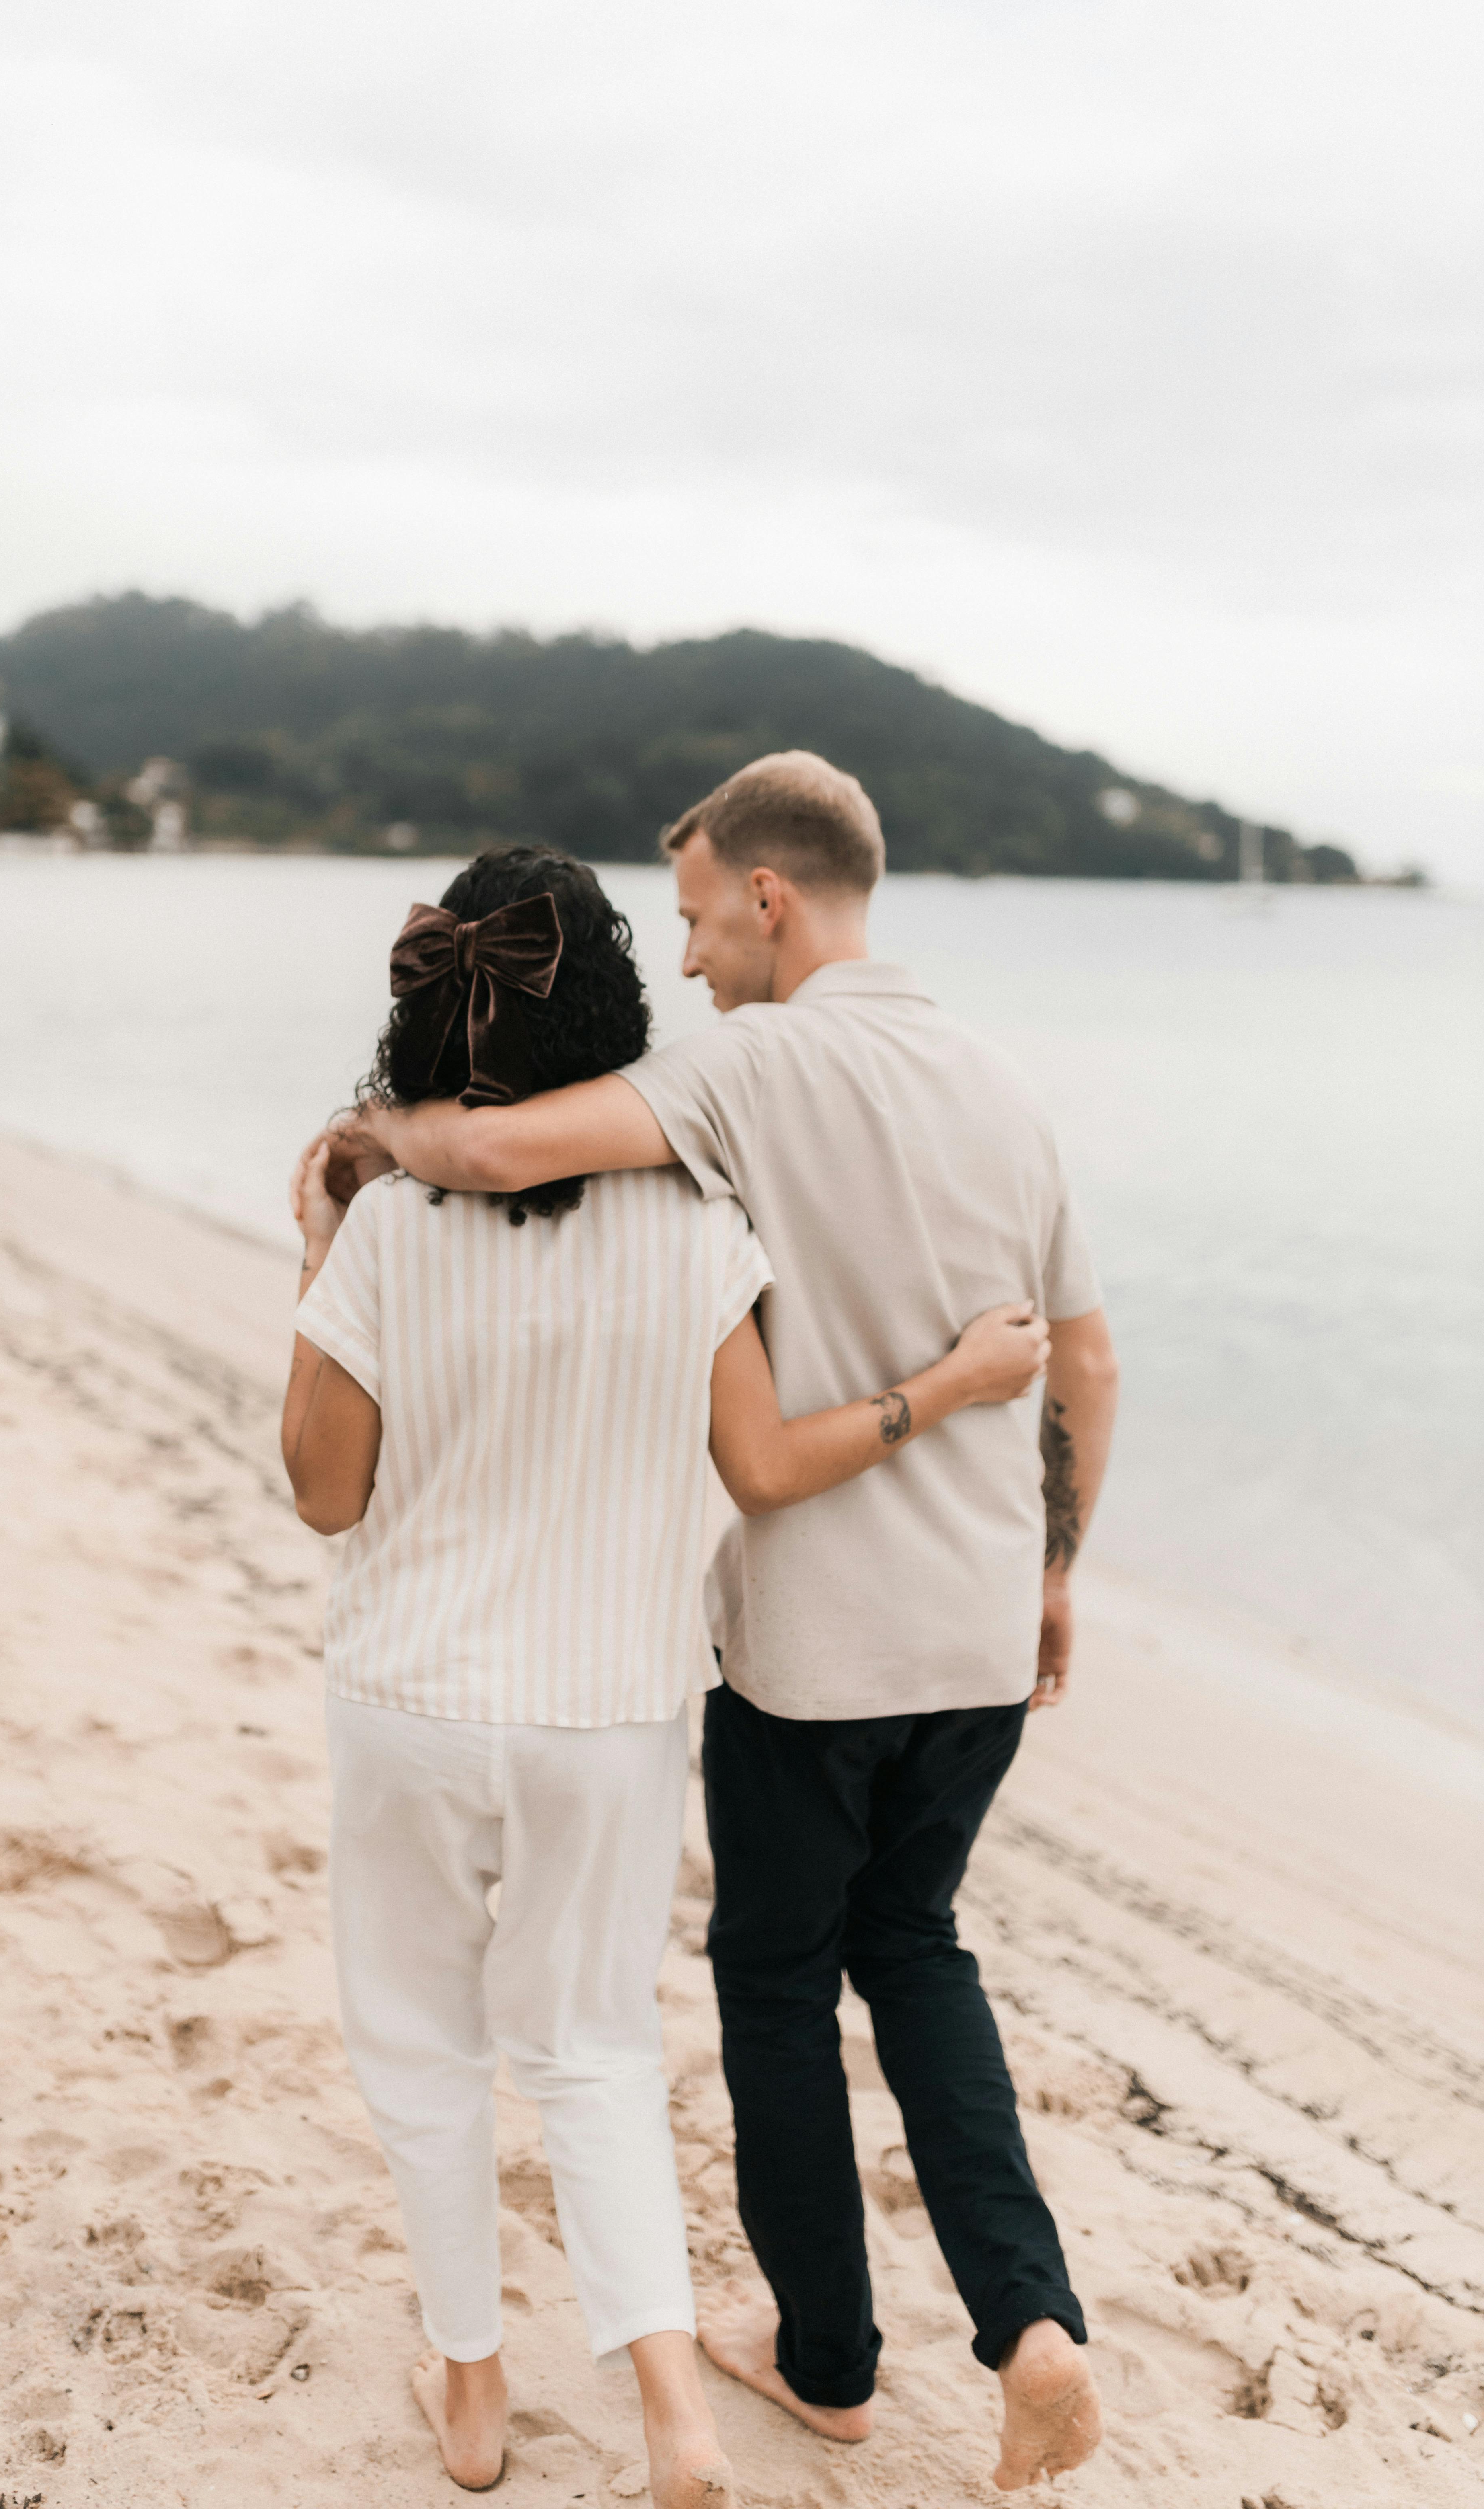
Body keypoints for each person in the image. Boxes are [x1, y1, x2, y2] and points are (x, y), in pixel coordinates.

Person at [333, 759, 1121, 2494]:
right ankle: (1031, 2325)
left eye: (693, 916)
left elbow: (501, 1150)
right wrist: (1058, 1568)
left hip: (816, 1646)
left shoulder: (751, 1071)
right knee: (917, 1951)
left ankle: (829, 2365)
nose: (684, 958)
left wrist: (380, 1140)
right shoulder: (1001, 1082)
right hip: (984, 1630)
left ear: (770, 894)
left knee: (776, 1985)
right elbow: (1084, 1355)